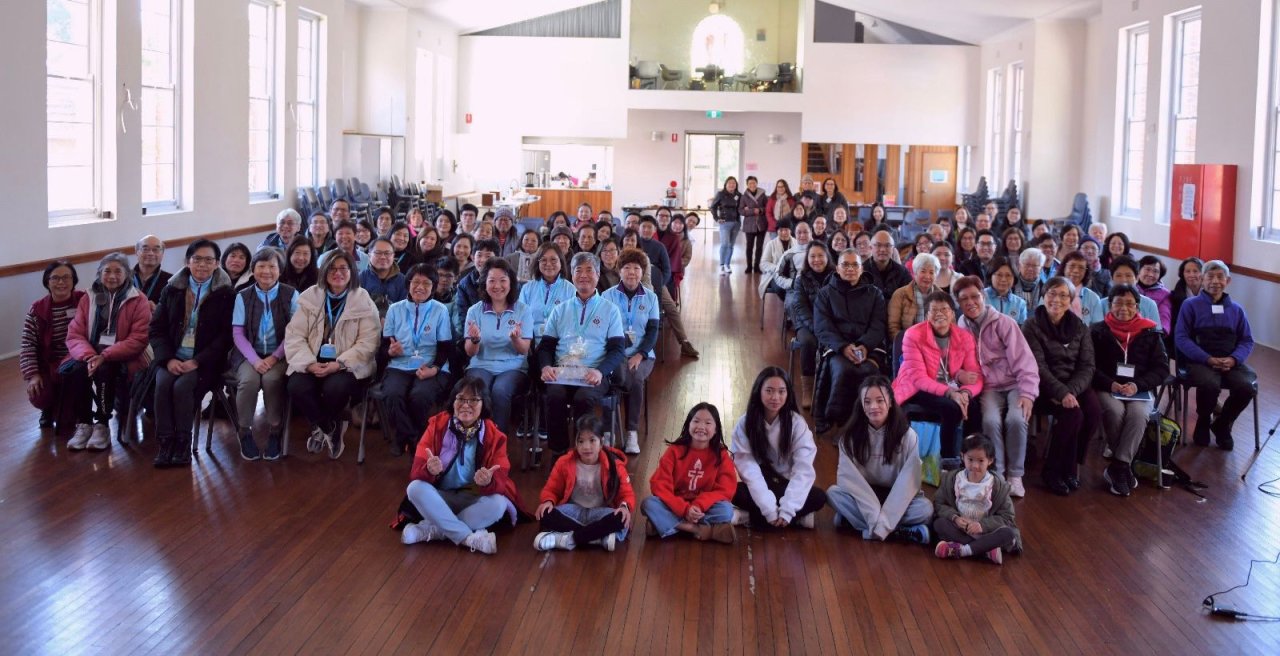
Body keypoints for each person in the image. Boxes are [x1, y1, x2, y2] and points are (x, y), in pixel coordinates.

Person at [401, 376, 525, 555]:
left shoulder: (495, 435)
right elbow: (416, 472)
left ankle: (435, 529)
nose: (466, 405)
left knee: (498, 504)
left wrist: (488, 482)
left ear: (484, 405)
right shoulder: (437, 425)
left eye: (474, 400)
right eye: (460, 399)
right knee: (415, 488)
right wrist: (428, 470)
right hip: (440, 497)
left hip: (473, 499)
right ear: (453, 401)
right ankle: (468, 538)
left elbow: (501, 479)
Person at [284, 250, 381, 460]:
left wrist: (339, 364)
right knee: (296, 385)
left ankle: (323, 427)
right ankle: (329, 427)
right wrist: (309, 364)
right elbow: (294, 335)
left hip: (348, 365)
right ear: (324, 271)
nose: (338, 273)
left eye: (343, 268)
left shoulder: (363, 300)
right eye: (332, 268)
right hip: (312, 360)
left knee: (335, 387)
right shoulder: (310, 296)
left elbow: (368, 342)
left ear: (352, 272)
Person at [148, 239, 235, 469]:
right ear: (187, 262)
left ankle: (183, 443)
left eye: (209, 260)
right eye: (197, 259)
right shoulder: (172, 289)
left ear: (217, 264)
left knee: (182, 386)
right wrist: (168, 359)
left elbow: (226, 337)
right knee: (163, 384)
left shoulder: (225, 293)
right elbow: (156, 329)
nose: (202, 265)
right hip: (172, 357)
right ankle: (165, 442)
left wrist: (197, 361)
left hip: (205, 362)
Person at [954, 276, 1038, 497]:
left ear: (984, 296)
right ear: (958, 303)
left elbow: (1024, 360)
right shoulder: (961, 326)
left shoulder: (1003, 322)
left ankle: (1015, 475)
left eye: (975, 296)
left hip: (1014, 384)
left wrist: (1028, 393)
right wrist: (959, 374)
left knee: (1017, 419)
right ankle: (998, 474)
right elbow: (955, 361)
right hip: (989, 387)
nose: (970, 302)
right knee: (990, 421)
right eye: (964, 299)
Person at [537, 253, 626, 456]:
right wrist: (546, 367)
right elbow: (546, 346)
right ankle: (559, 452)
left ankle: (583, 453)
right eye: (578, 270)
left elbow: (617, 350)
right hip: (563, 371)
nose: (583, 275)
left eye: (589, 270)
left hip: (594, 372)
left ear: (597, 274)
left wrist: (600, 372)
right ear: (572, 275)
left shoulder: (610, 310)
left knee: (584, 398)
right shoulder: (560, 309)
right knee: (554, 395)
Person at [62, 254, 153, 451]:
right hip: (90, 352)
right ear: (99, 273)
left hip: (124, 354)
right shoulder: (88, 297)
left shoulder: (138, 299)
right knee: (77, 370)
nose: (112, 276)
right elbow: (75, 333)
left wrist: (105, 356)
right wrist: (89, 356)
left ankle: (102, 424)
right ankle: (84, 423)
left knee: (106, 371)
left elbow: (138, 339)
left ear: (127, 274)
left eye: (118, 271)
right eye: (107, 271)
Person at [826, 376, 932, 544]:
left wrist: (883, 520)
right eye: (867, 402)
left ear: (890, 402)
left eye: (879, 401)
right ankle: (899, 532)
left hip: (895, 494)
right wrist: (875, 515)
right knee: (833, 493)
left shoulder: (907, 435)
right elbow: (850, 481)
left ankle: (858, 524)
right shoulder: (849, 437)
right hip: (864, 494)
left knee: (925, 509)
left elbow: (907, 483)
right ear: (861, 405)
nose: (873, 407)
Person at [1022, 277, 1099, 495]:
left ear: (1071, 300)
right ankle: (1053, 471)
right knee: (1073, 415)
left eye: (1063, 295)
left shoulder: (1079, 327)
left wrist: (1070, 391)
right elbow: (1037, 366)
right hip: (1042, 387)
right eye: (1052, 294)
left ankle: (1071, 464)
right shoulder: (1032, 326)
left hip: (1073, 386)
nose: (1057, 299)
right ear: (1043, 297)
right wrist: (1061, 392)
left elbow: (1087, 365)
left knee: (1093, 412)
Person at [1092, 284, 1168, 496]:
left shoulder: (1151, 332)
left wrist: (1138, 385)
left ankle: (1119, 465)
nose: (1123, 308)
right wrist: (1110, 384)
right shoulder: (1097, 331)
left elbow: (1161, 369)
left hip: (1139, 388)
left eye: (1129, 304)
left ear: (1137, 306)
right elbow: (1090, 366)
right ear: (1109, 305)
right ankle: (1123, 466)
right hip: (1108, 387)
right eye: (1118, 303)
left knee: (1138, 414)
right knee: (1115, 412)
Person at [1175, 260, 1256, 450]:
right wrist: (1207, 358)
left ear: (1228, 281)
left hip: (1230, 360)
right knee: (1210, 384)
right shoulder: (1190, 305)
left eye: (1220, 277)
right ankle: (1204, 420)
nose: (1215, 281)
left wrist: (1234, 359)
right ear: (1202, 280)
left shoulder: (1236, 310)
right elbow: (1181, 337)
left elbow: (1247, 340)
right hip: (1199, 360)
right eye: (1210, 276)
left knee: (1246, 386)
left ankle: (1223, 424)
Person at [730, 367, 826, 529]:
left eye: (781, 391)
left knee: (819, 497)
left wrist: (788, 509)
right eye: (769, 391)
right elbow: (748, 468)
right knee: (732, 491)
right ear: (758, 391)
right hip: (761, 483)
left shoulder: (797, 424)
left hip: (786, 484)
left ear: (788, 394)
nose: (775, 397)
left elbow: (803, 469)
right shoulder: (745, 423)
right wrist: (768, 508)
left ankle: (749, 518)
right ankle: (797, 520)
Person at [892, 292, 983, 460]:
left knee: (974, 406)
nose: (939, 313)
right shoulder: (913, 334)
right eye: (934, 310)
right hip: (916, 387)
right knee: (951, 408)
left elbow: (975, 375)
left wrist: (965, 393)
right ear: (927, 315)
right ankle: (947, 462)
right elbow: (919, 378)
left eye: (944, 309)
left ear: (953, 314)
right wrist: (951, 394)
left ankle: (971, 457)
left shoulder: (965, 337)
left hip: (951, 386)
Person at [229, 249, 297, 461]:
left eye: (272, 267)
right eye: (261, 266)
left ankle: (275, 431)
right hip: (248, 354)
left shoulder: (291, 294)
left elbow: (295, 332)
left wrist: (275, 357)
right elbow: (238, 334)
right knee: (248, 381)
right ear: (253, 270)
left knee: (272, 379)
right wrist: (255, 359)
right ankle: (244, 431)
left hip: (282, 354)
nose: (266, 271)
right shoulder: (242, 295)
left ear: (280, 270)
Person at [534, 415, 636, 552]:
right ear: (575, 443)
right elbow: (551, 489)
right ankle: (597, 537)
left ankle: (569, 538)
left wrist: (624, 507)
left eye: (592, 440)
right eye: (581, 441)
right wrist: (548, 501)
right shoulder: (564, 462)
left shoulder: (614, 465)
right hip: (573, 511)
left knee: (621, 519)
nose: (586, 447)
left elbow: (626, 493)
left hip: (600, 512)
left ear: (602, 441)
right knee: (545, 514)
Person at [382, 264, 454, 456]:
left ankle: (403, 437)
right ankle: (413, 437)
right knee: (392, 394)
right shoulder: (395, 309)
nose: (420, 287)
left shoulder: (440, 310)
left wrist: (435, 368)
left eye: (426, 283)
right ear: (408, 284)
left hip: (430, 364)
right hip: (399, 363)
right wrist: (390, 351)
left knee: (420, 396)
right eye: (416, 282)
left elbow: (445, 346)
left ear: (434, 286)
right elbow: (384, 345)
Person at [642, 403, 738, 543]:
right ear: (688, 425)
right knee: (648, 504)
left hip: (703, 507)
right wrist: (684, 509)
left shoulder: (721, 455)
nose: (701, 427)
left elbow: (725, 490)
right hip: (677, 504)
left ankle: (664, 524)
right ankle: (699, 530)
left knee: (726, 511)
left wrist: (698, 505)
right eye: (696, 421)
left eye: (708, 423)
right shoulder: (675, 451)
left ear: (716, 429)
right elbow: (660, 485)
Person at [814, 250, 887, 432]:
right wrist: (844, 347)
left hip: (868, 348)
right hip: (837, 348)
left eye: (855, 265)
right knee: (843, 369)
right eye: (845, 265)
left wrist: (864, 346)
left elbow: (878, 325)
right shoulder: (825, 294)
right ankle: (841, 422)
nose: (850, 269)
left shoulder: (875, 293)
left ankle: (865, 421)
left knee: (868, 371)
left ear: (861, 269)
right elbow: (823, 327)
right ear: (837, 269)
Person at [462, 259, 531, 441]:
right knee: (478, 390)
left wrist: (516, 339)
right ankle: (475, 440)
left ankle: (497, 443)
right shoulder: (474, 311)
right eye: (492, 280)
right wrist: (475, 339)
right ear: (484, 283)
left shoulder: (523, 310)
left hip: (513, 367)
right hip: (481, 364)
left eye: (503, 280)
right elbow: (470, 352)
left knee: (500, 391)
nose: (497, 286)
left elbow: (524, 350)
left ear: (511, 283)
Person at [601, 248, 659, 455]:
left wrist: (640, 354)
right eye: (626, 267)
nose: (631, 272)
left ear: (643, 271)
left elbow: (653, 332)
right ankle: (608, 430)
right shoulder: (607, 296)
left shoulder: (651, 298)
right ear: (619, 271)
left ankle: (631, 432)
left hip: (642, 354)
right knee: (608, 376)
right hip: (614, 353)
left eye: (636, 268)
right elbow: (602, 330)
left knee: (634, 378)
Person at [932, 434, 1021, 564]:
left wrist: (982, 526)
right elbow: (939, 503)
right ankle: (984, 550)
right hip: (961, 530)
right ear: (962, 456)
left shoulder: (996, 485)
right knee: (939, 524)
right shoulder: (953, 479)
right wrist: (955, 518)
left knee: (1008, 534)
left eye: (981, 461)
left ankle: (962, 550)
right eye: (970, 459)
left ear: (990, 460)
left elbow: (1007, 516)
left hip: (988, 532)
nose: (975, 465)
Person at [22, 261, 86, 428]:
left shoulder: (84, 301)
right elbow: (27, 345)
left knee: (67, 421)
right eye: (55, 278)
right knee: (39, 395)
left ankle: (75, 407)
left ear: (73, 281)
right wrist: (33, 375)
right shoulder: (37, 309)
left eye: (66, 278)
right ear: (47, 282)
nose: (61, 282)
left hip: (77, 359)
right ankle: (48, 408)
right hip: (48, 363)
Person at [637, 218, 700, 358]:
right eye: (643, 227)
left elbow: (667, 270)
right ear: (639, 228)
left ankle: (684, 342)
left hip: (656, 285)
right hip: (633, 284)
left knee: (671, 307)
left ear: (654, 230)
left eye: (649, 227)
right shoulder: (633, 243)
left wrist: (658, 286)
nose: (646, 230)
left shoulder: (659, 247)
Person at [786, 242, 834, 409]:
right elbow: (800, 307)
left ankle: (831, 388)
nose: (817, 260)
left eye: (820, 255)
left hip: (830, 323)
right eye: (812, 256)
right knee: (808, 342)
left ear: (827, 257)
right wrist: (817, 328)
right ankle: (808, 387)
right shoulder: (801, 279)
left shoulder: (836, 276)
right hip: (807, 324)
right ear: (807, 259)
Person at [519, 243, 575, 341]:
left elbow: (572, 323)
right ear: (538, 263)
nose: (548, 264)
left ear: (561, 263)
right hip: (530, 343)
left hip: (559, 344)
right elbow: (521, 319)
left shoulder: (570, 290)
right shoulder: (527, 289)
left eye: (553, 260)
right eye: (543, 260)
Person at [451, 238, 499, 340]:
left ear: (497, 258)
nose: (483, 260)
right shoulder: (464, 284)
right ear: (472, 257)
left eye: (488, 256)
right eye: (479, 255)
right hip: (475, 336)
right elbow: (464, 316)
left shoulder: (506, 282)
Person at [888, 253, 939, 339]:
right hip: (907, 343)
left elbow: (950, 326)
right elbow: (893, 327)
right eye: (923, 271)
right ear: (914, 273)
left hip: (935, 344)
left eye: (931, 272)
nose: (927, 276)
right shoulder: (900, 294)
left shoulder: (942, 297)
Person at [358, 238, 407, 318]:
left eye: (387, 253)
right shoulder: (361, 278)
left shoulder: (402, 280)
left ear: (393, 256)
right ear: (369, 255)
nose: (383, 257)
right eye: (378, 253)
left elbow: (404, 310)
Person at [1108, 256, 1161, 326]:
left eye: (1128, 275)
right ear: (1111, 278)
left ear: (1137, 278)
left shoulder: (1150, 305)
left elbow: (1156, 333)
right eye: (1118, 275)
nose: (1124, 280)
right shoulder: (1102, 304)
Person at [1058, 251, 1107, 325]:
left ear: (1086, 272)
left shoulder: (1092, 298)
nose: (1076, 271)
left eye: (1081, 268)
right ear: (1064, 268)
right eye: (1072, 266)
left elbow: (1097, 329)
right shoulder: (1051, 293)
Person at [862, 230, 911, 299]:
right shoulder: (862, 271)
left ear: (893, 249)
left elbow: (909, 299)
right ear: (871, 248)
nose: (882, 249)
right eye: (878, 245)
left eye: (887, 245)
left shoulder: (902, 272)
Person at [1169, 256, 1204, 346]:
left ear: (1203, 274)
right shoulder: (1175, 295)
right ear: (1183, 274)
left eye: (1195, 271)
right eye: (1187, 271)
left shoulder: (1210, 292)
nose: (1191, 275)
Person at [711, 176, 742, 274]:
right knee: (724, 244)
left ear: (736, 185)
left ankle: (727, 265)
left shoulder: (739, 195)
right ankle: (721, 265)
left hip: (736, 223)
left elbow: (742, 207)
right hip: (724, 223)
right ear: (726, 184)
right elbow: (713, 207)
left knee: (731, 245)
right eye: (730, 183)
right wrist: (716, 218)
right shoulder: (721, 194)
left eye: (734, 183)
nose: (732, 185)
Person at [1136, 255, 1173, 333]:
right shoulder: (1130, 287)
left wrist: (1160, 331)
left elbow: (1164, 315)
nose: (1151, 274)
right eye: (1147, 269)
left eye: (1155, 271)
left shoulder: (1165, 294)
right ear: (1139, 270)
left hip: (1149, 334)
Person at [985, 257, 1028, 324]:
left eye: (1008, 275)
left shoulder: (1020, 303)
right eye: (999, 275)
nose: (1003, 279)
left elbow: (1021, 331)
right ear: (990, 276)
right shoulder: (980, 297)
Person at [739, 175, 769, 273]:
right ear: (747, 185)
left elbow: (767, 208)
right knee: (749, 247)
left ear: (757, 183)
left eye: (754, 183)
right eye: (750, 183)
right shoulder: (744, 196)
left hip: (761, 224)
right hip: (749, 225)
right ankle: (749, 266)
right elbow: (741, 210)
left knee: (759, 247)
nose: (752, 185)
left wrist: (760, 210)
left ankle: (757, 266)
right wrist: (752, 211)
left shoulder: (763, 195)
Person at [133, 235, 171, 306]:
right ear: (136, 252)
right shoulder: (124, 278)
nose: (150, 253)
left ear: (162, 254)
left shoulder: (171, 281)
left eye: (156, 250)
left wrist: (158, 311)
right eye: (145, 249)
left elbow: (174, 313)